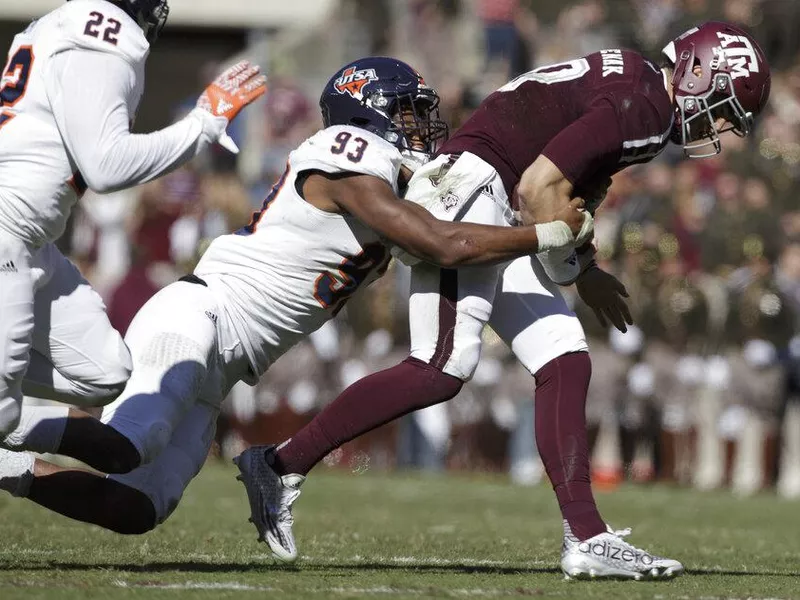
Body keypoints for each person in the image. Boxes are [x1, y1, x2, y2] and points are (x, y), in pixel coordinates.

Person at [238, 21, 772, 580]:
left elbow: (561, 179)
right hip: (477, 191)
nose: (715, 125)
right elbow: (540, 189)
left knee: (564, 354)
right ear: (697, 72)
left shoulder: (636, 80)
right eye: (720, 107)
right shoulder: (646, 110)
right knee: (442, 366)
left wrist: (579, 264)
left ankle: (587, 537)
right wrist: (578, 265)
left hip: (491, 191)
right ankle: (279, 464)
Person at [0, 58, 588, 535]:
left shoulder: (393, 179)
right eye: (409, 112)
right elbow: (441, 242)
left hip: (225, 367)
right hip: (202, 314)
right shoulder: (346, 152)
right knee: (128, 445)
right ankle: (9, 416)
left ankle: (9, 468)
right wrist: (547, 233)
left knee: (135, 511)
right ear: (371, 113)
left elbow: (450, 237)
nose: (420, 128)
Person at [0, 0, 265, 444]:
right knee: (3, 411)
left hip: (32, 240)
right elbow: (106, 167)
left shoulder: (55, 25)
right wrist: (202, 125)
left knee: (105, 372)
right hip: (8, 228)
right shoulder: (103, 31)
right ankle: (18, 462)